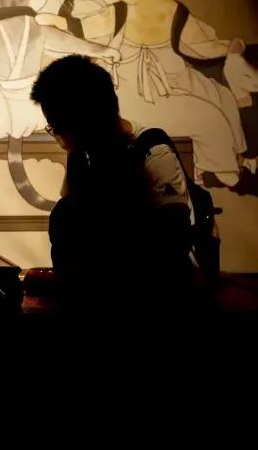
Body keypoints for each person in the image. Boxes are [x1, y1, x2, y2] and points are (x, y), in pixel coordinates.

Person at [29, 55, 195, 319]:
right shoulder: (82, 154)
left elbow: (172, 244)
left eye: (58, 127)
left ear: (88, 119)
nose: (59, 139)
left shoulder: (153, 154)